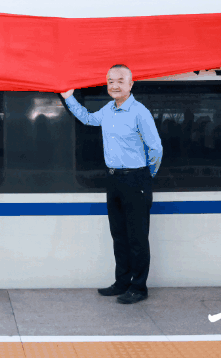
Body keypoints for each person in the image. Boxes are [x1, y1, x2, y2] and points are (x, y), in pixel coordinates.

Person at [60, 64, 162, 305]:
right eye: (110, 82)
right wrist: (68, 97)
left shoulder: (140, 112)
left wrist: (146, 175)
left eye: (119, 81)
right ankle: (122, 282)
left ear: (130, 84)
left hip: (136, 179)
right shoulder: (108, 109)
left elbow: (155, 148)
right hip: (114, 179)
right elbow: (88, 119)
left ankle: (139, 287)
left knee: (137, 238)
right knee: (119, 235)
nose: (114, 86)